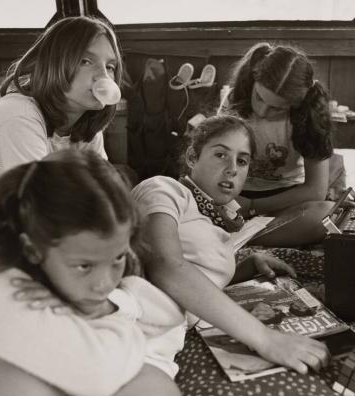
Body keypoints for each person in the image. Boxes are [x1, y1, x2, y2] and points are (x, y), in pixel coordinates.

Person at [0, 150, 189, 396]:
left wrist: (116, 303)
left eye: (117, 258)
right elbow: (97, 372)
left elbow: (169, 312)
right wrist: (121, 322)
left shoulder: (46, 254)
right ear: (32, 249)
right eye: (84, 266)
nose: (103, 283)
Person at [132, 113, 330, 375]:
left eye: (242, 160)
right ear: (192, 158)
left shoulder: (216, 223)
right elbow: (165, 265)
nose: (232, 168)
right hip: (133, 319)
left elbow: (197, 273)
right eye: (221, 155)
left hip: (164, 342)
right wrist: (264, 338)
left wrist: (244, 268)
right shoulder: (164, 189)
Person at [0, 16, 122, 207]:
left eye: (110, 66)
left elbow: (104, 190)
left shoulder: (88, 125)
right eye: (86, 61)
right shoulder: (18, 115)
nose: (104, 76)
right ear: (54, 64)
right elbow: (43, 208)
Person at [225, 42, 334, 246]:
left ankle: (242, 238)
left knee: (327, 215)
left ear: (297, 104)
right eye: (259, 97)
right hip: (232, 195)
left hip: (285, 201)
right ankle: (248, 234)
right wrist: (229, 200)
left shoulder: (311, 115)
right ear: (253, 81)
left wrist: (254, 206)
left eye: (277, 108)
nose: (263, 112)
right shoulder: (234, 98)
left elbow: (316, 190)